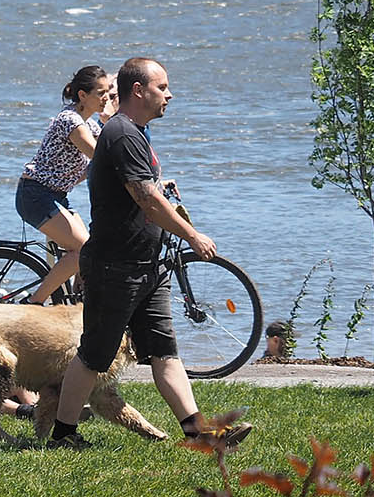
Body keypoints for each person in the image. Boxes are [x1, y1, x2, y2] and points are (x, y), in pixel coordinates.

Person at [47, 56, 253, 451]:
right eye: (162, 87)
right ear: (138, 90)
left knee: (164, 350)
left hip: (147, 265)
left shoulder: (135, 133)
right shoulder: (122, 134)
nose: (170, 94)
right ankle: (63, 433)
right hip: (115, 266)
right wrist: (192, 235)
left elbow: (149, 190)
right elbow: (146, 200)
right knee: (94, 355)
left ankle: (199, 433)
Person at [16, 65, 115, 302]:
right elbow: (102, 156)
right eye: (101, 93)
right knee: (82, 249)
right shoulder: (70, 121)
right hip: (36, 195)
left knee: (93, 250)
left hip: (56, 196)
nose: (106, 98)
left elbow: (115, 148)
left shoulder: (89, 123)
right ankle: (35, 302)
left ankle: (75, 299)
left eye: (109, 93)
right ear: (83, 95)